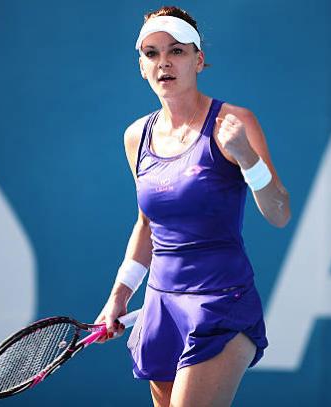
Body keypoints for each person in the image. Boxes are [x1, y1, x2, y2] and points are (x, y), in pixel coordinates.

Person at [94, 6, 291, 406]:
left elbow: (279, 213)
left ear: (198, 60)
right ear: (142, 67)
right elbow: (147, 224)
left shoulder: (235, 122)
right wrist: (119, 294)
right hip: (161, 306)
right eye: (151, 53)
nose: (164, 62)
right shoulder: (137, 136)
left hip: (220, 304)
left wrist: (248, 159)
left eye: (177, 51)